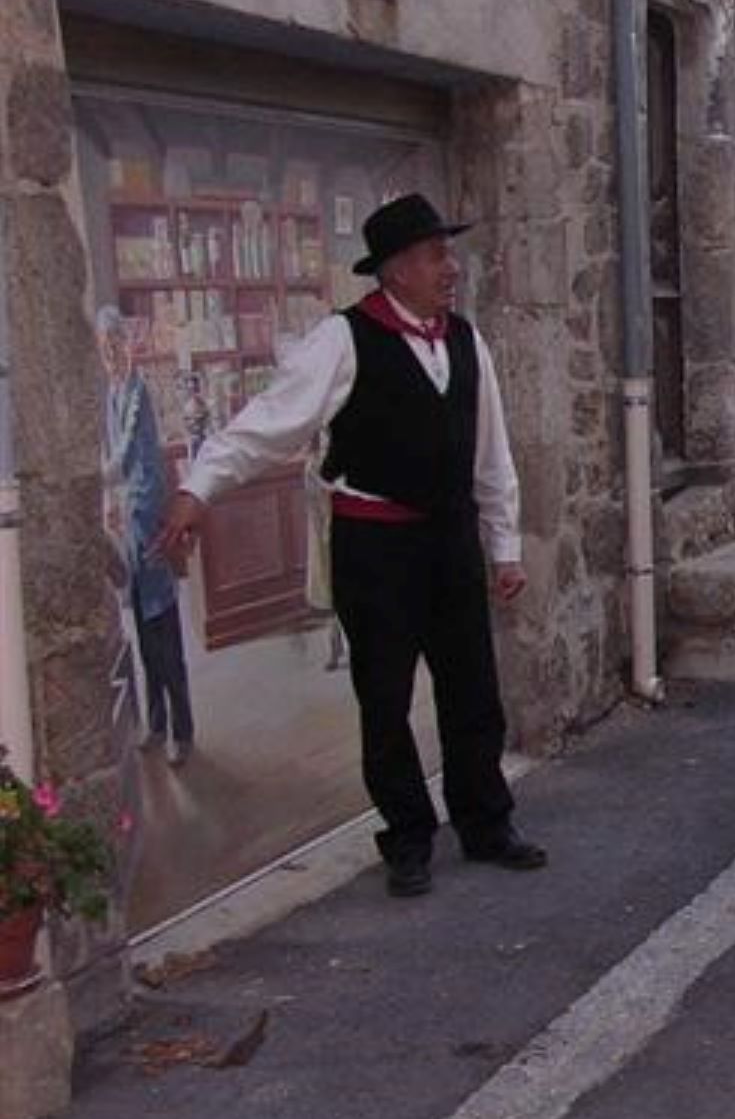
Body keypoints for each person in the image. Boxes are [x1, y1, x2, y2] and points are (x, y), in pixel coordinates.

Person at [154, 193, 545, 898]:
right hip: (377, 545)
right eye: (436, 255)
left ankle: (487, 822)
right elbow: (270, 422)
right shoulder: (343, 338)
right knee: (385, 698)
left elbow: (492, 454)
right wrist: (198, 487)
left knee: (473, 689)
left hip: (451, 538)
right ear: (395, 270)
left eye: (448, 254)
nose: (450, 268)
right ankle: (409, 838)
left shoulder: (466, 340)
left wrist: (504, 547)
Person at [96, 307, 194, 767]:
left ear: (125, 344)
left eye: (115, 344)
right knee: (142, 630)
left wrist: (94, 480)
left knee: (164, 631)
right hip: (130, 526)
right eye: (104, 347)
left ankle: (182, 731)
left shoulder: (136, 392)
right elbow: (112, 455)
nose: (110, 354)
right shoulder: (112, 392)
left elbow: (120, 458)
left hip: (151, 521)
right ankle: (156, 723)